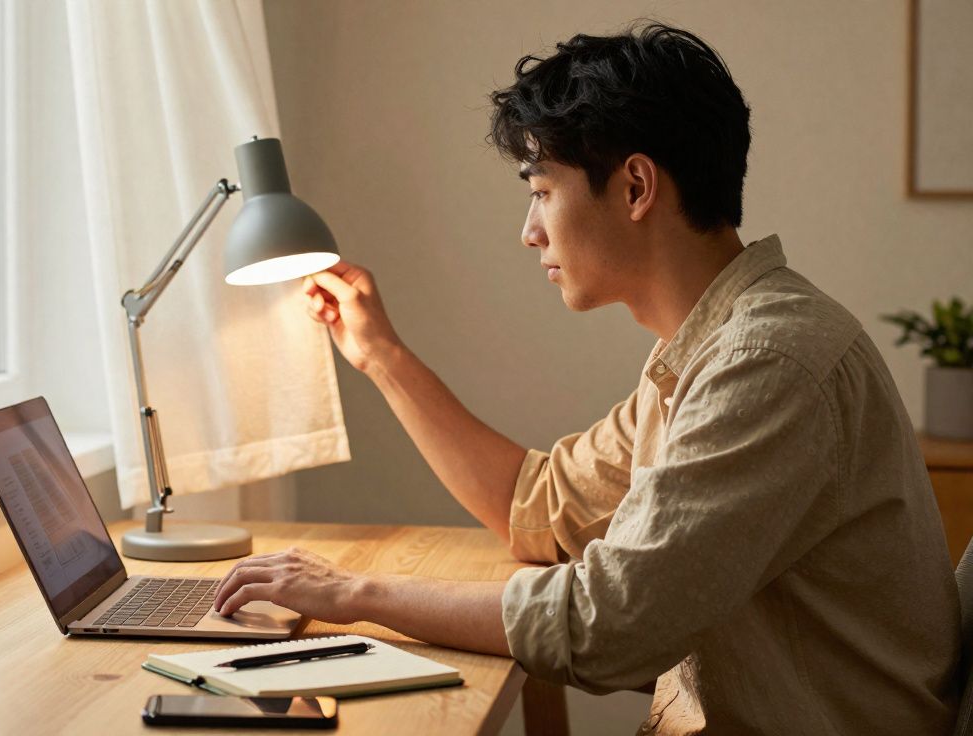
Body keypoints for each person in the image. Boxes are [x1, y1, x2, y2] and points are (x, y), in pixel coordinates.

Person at [211, 22, 959, 734]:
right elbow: (538, 507)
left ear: (635, 187)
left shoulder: (765, 365)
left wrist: (354, 593)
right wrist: (382, 356)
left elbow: (607, 624)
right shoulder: (708, 349)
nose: (529, 231)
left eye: (541, 191)